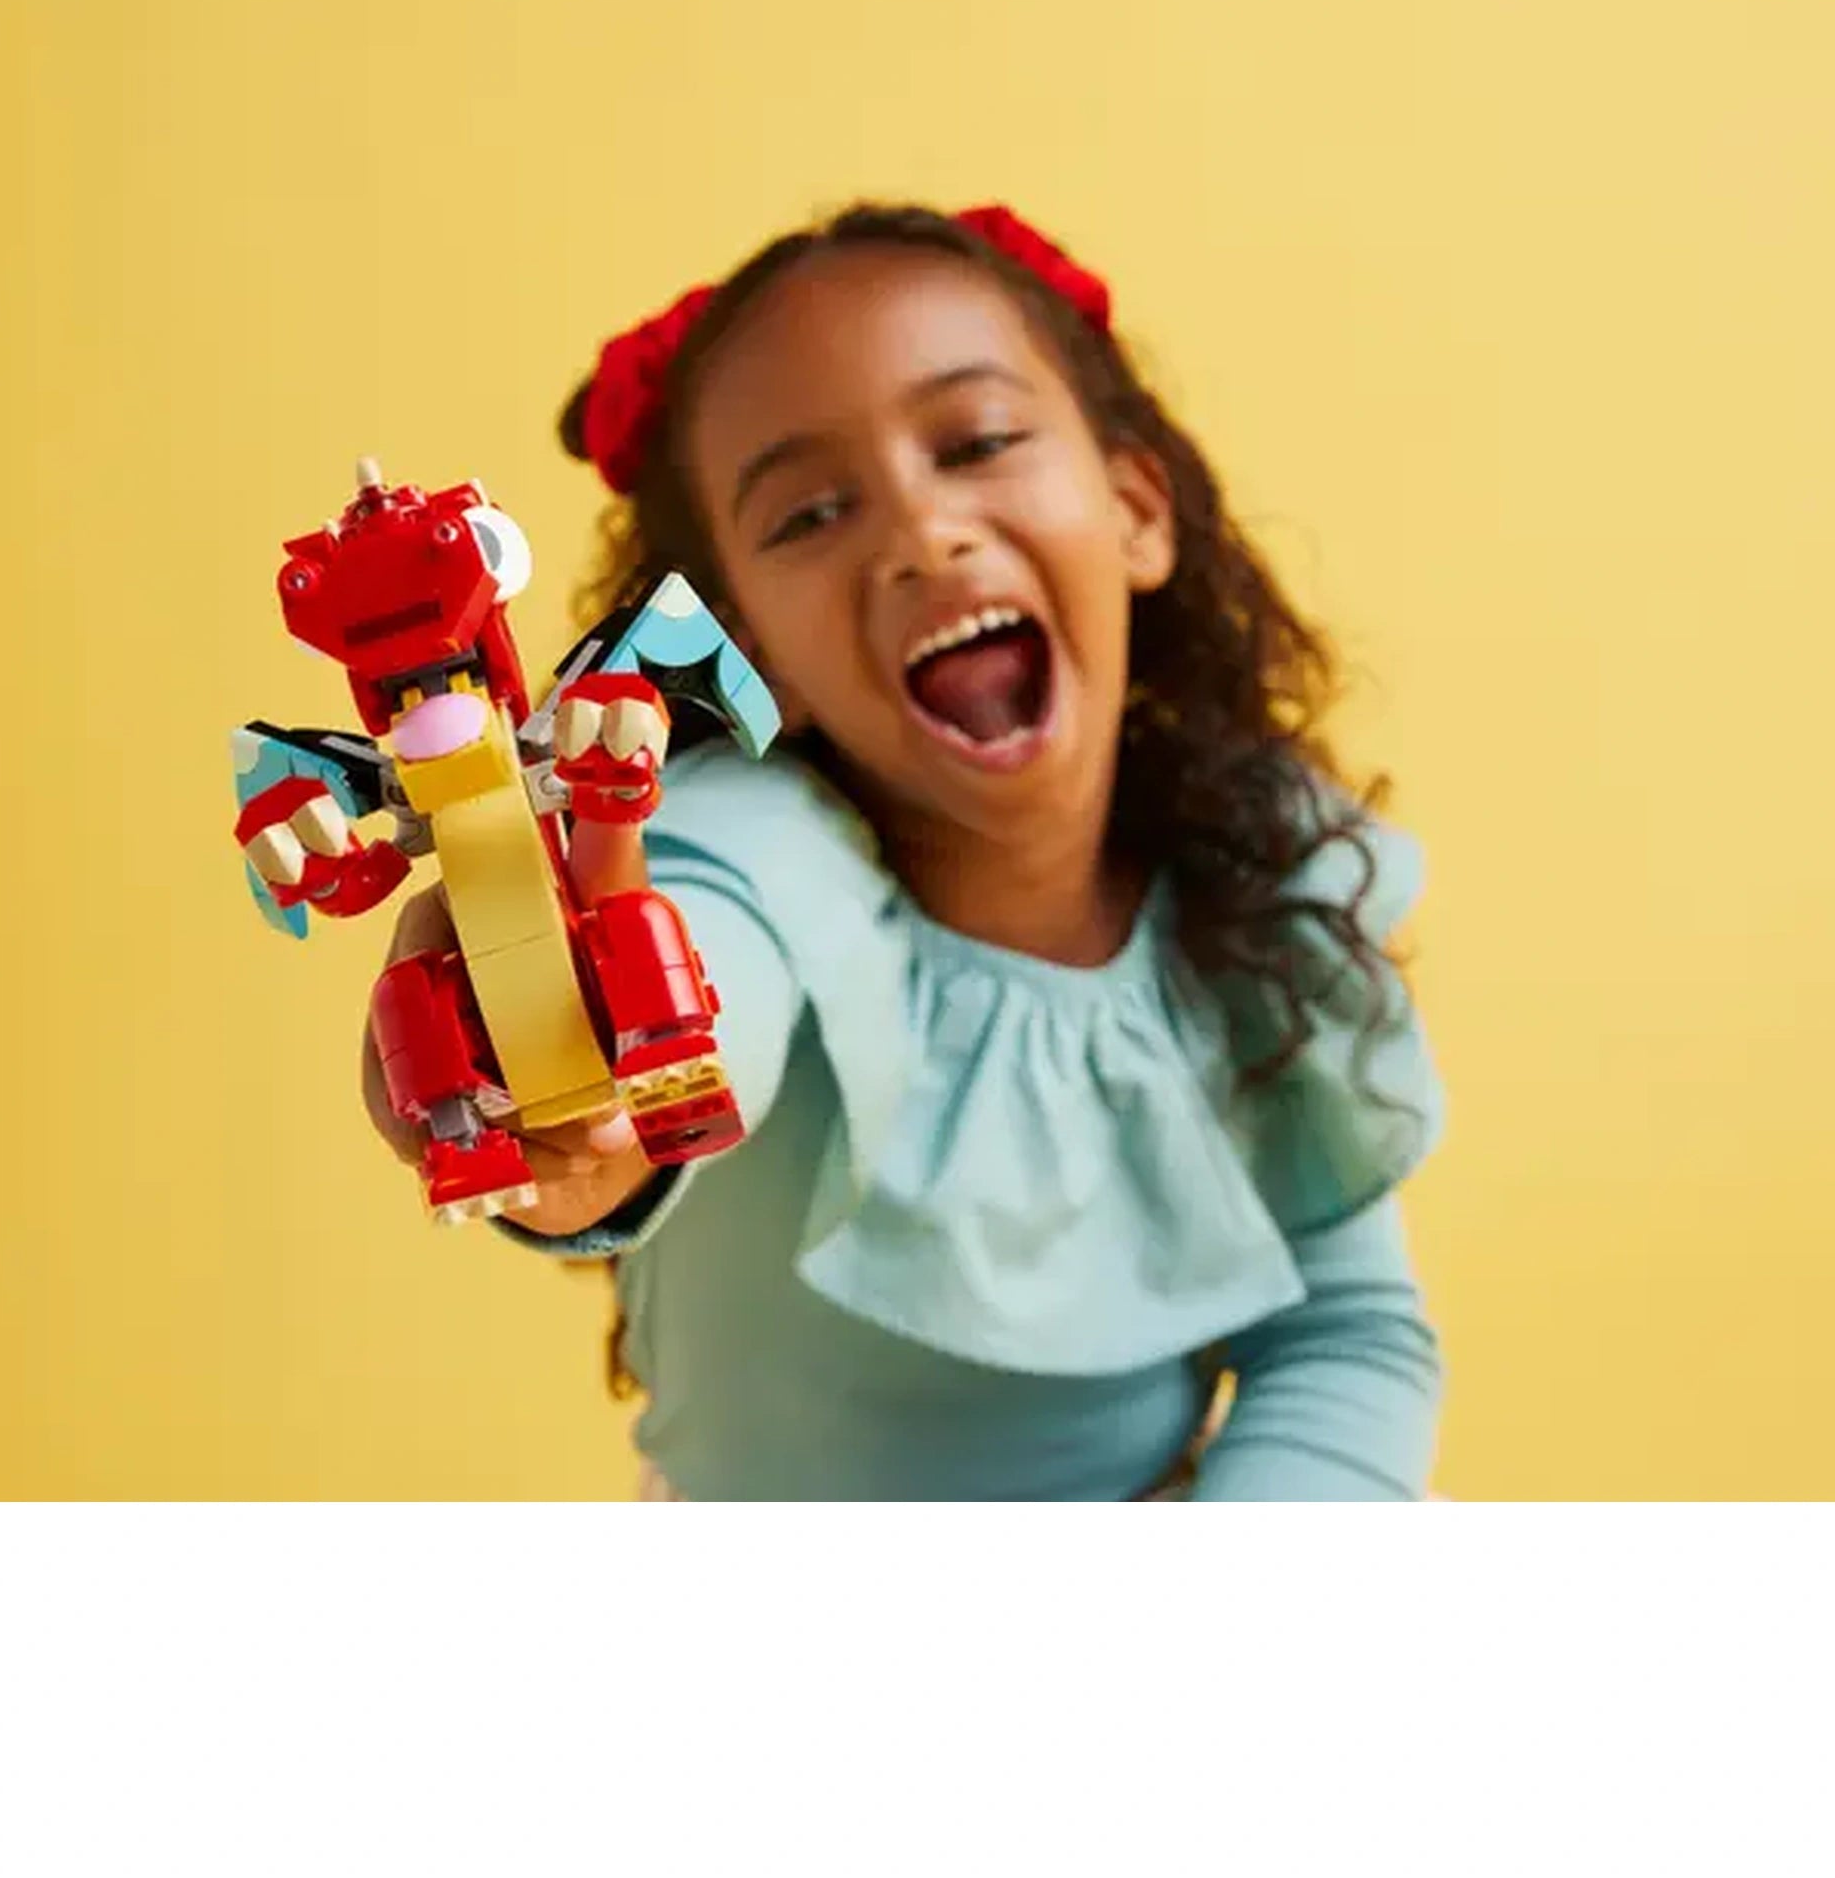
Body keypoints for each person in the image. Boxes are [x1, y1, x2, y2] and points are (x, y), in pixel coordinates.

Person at [362, 202, 1446, 1498]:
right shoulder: (745, 851)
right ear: (747, 654)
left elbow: (1345, 1328)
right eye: (810, 514)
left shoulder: (1253, 881)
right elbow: (696, 996)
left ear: (1135, 507)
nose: (921, 535)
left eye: (978, 442)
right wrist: (566, 1095)